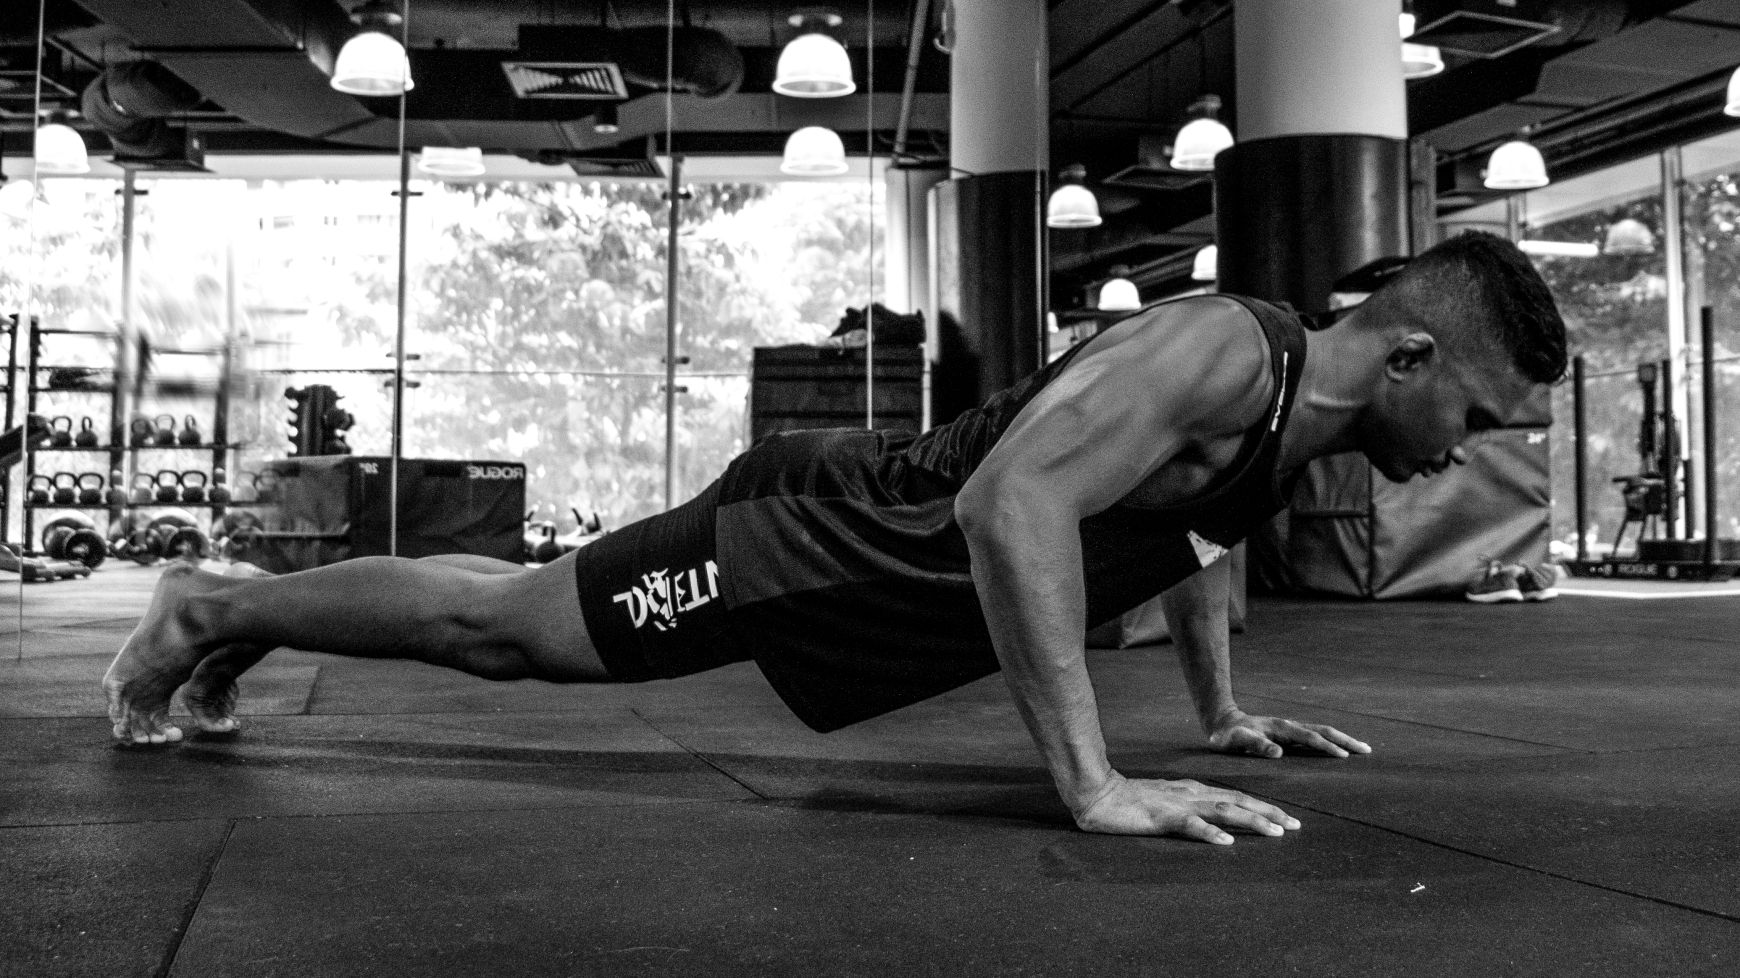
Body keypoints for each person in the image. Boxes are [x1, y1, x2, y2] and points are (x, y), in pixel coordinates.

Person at [103, 231, 1567, 844]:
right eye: (1486, 416)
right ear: (1414, 359)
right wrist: (1095, 783)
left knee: (512, 601)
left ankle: (228, 611)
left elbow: (1195, 540)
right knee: (506, 629)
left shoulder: (1286, 422)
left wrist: (1222, 709)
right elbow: (1015, 504)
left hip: (859, 550)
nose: (1475, 452)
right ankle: (208, 603)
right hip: (817, 529)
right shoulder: (1227, 351)